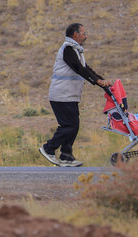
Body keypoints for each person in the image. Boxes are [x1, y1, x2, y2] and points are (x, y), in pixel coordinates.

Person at [39, 23, 111, 167]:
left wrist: (102, 81)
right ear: (75, 35)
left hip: (69, 95)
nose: (85, 36)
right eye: (83, 33)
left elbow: (86, 68)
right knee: (69, 125)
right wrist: (96, 81)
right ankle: (48, 148)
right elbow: (79, 69)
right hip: (61, 95)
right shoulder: (68, 49)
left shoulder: (76, 51)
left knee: (73, 125)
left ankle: (66, 156)